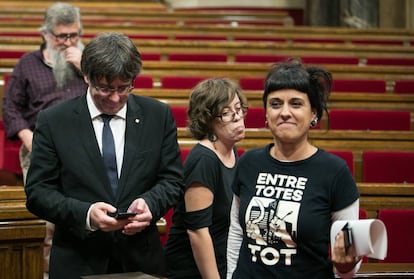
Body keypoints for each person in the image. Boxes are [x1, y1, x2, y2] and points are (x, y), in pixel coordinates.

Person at [24, 32, 183, 279]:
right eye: (106, 88)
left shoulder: (157, 116)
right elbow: (38, 193)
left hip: (140, 260)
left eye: (124, 88)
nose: (116, 97)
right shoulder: (54, 121)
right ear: (86, 76)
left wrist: (151, 204)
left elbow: (172, 181)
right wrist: (86, 214)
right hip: (78, 260)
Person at [226, 59, 362, 279]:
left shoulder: (334, 171)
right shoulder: (248, 162)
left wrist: (345, 267)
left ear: (313, 114)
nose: (285, 112)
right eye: (276, 104)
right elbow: (236, 232)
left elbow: (349, 260)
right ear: (266, 115)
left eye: (296, 104)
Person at [1, 2, 87, 273]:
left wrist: (85, 68)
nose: (67, 42)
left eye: (73, 35)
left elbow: (109, 96)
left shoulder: (88, 62)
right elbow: (10, 107)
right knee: (45, 220)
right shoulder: (28, 63)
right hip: (40, 147)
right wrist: (28, 137)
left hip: (83, 148)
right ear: (46, 34)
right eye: (61, 36)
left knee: (81, 214)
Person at [165, 78, 248, 279]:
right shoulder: (204, 160)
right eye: (226, 113)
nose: (237, 118)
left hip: (221, 261)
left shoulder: (231, 150)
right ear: (208, 119)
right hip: (191, 270)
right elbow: (197, 232)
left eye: (238, 109)